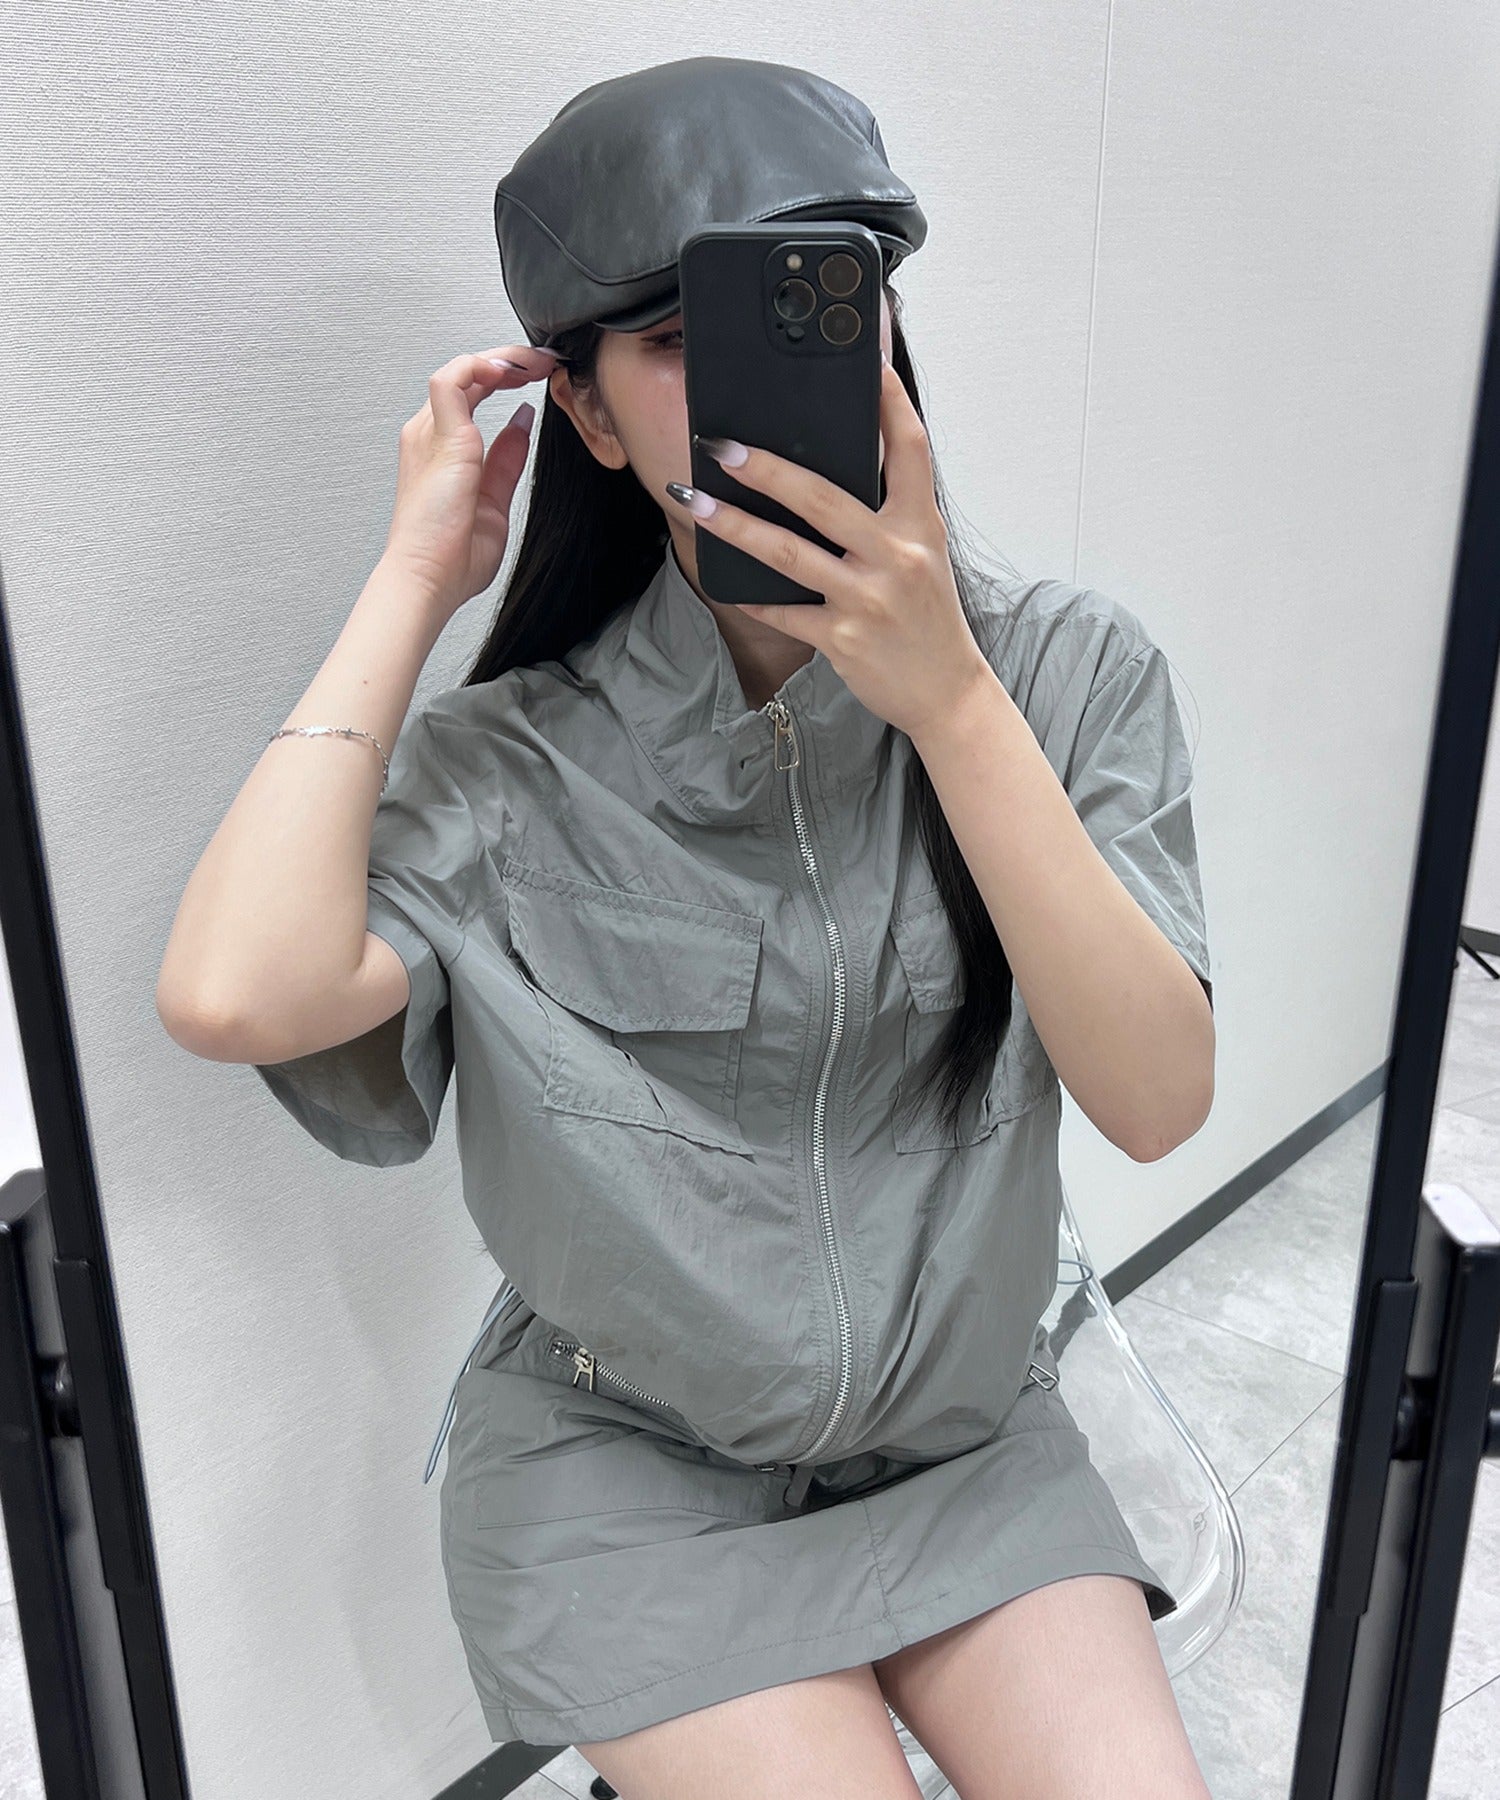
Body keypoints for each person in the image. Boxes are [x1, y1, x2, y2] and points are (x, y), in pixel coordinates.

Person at [158, 55, 1215, 1800]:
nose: (754, 383)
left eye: (822, 304)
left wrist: (953, 703)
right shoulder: (514, 765)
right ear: (583, 412)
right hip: (626, 1475)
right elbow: (231, 992)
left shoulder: (1064, 675)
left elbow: (1158, 1101)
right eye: (675, 339)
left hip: (963, 1447)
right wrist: (417, 575)